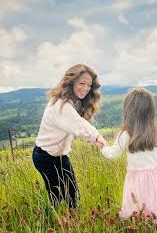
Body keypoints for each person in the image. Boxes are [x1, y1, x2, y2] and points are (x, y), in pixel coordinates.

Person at [101, 88, 157, 223]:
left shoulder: (126, 134)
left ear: (128, 111)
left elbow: (112, 154)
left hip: (137, 180)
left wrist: (103, 147)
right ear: (151, 111)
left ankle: (145, 225)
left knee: (141, 212)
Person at [32, 64, 106, 209]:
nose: (86, 89)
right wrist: (97, 137)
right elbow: (78, 123)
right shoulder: (61, 105)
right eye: (82, 83)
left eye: (89, 85)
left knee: (73, 193)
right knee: (57, 196)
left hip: (59, 155)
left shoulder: (71, 101)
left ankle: (72, 222)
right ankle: (56, 223)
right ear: (71, 82)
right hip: (45, 156)